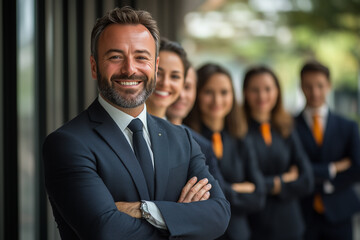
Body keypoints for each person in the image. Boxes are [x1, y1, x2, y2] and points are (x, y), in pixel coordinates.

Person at [42, 7, 230, 240]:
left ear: (155, 65)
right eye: (115, 57)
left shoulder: (182, 138)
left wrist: (144, 210)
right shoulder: (68, 143)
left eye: (141, 57)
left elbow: (219, 215)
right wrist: (182, 219)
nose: (130, 69)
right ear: (94, 66)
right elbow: (106, 231)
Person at [184, 63, 265, 240]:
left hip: (239, 234)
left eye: (224, 92)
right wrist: (240, 187)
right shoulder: (186, 138)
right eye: (208, 92)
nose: (217, 100)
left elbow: (259, 196)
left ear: (233, 96)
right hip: (203, 234)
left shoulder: (241, 138)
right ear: (197, 94)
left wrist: (224, 190)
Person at [240, 66, 313, 240]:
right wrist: (286, 179)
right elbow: (244, 185)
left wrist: (267, 184)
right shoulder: (238, 132)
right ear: (244, 92)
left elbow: (307, 179)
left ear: (277, 91)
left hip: (291, 225)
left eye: (268, 89)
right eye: (254, 90)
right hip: (255, 226)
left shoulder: (286, 126)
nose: (262, 96)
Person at [295, 60, 360, 240]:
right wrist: (333, 168)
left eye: (320, 86)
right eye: (308, 86)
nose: (315, 92)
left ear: (329, 86)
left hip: (341, 213)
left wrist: (324, 183)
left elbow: (357, 168)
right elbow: (291, 168)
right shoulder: (289, 127)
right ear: (301, 87)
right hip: (303, 214)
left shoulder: (348, 126)